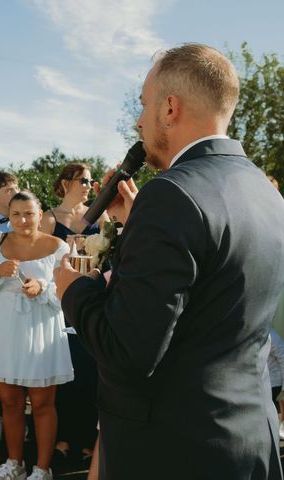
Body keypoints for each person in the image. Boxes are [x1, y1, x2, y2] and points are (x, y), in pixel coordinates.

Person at [55, 43, 284, 480]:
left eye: (144, 104)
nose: (139, 120)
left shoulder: (173, 194)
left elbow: (128, 350)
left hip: (174, 450)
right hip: (247, 439)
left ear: (170, 108)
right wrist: (136, 223)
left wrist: (74, 289)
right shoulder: (264, 191)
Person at [0, 191, 72, 480]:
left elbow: (71, 290)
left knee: (42, 402)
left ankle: (43, 468)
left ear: (40, 215)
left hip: (41, 328)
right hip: (4, 329)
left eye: (29, 213)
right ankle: (14, 463)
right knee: (9, 401)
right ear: (10, 217)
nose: (22, 220)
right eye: (16, 214)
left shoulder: (59, 247)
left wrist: (43, 287)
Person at [40, 163, 104, 471]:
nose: (90, 185)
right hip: (59, 301)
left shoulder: (101, 215)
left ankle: (89, 441)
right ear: (66, 182)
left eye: (91, 181)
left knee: (92, 372)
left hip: (93, 299)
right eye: (84, 180)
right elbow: (37, 259)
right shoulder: (49, 219)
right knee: (65, 371)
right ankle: (63, 439)